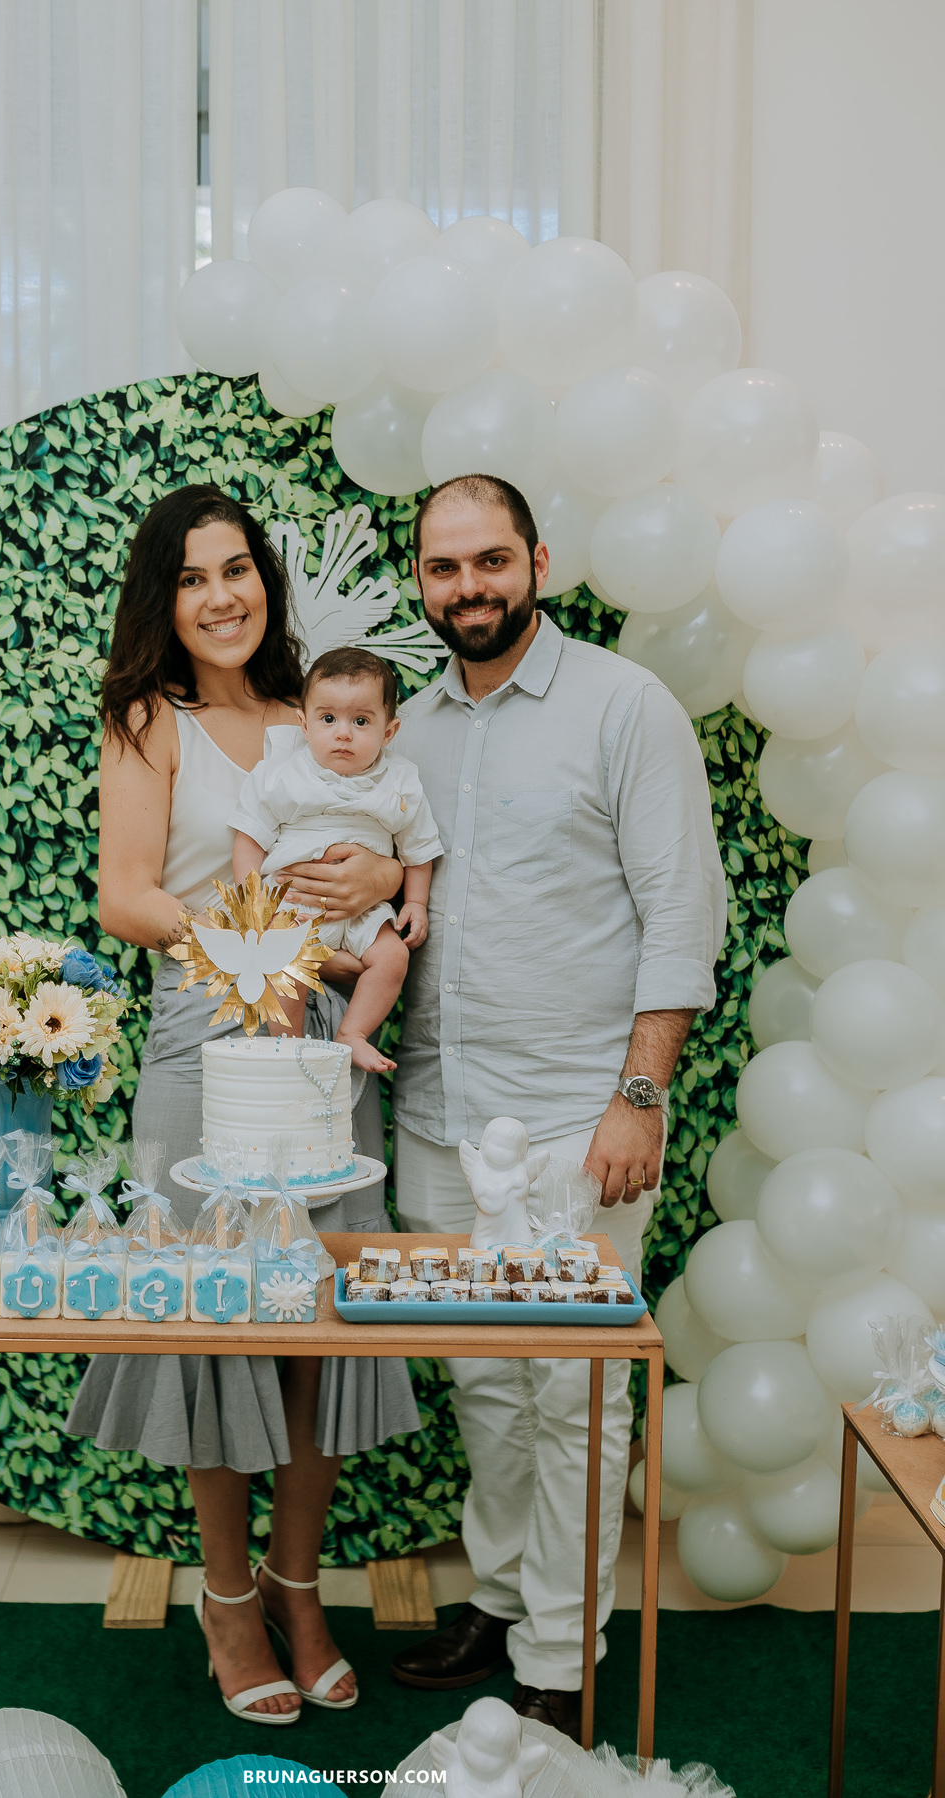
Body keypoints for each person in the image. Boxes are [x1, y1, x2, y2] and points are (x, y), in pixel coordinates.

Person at [65, 483, 421, 1725]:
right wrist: (249, 947)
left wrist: (385, 881)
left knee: (317, 1320)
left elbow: (394, 853)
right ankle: (226, 1598)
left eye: (239, 569)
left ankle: (300, 1583)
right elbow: (124, 895)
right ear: (164, 600)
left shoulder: (310, 713)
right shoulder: (145, 719)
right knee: (218, 1320)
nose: (222, 595)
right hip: (204, 1035)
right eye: (193, 576)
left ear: (266, 580)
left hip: (330, 1038)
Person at [388, 473, 727, 1739]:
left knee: (574, 1393)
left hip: (581, 1123)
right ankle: (502, 1598)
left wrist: (639, 1097)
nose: (467, 586)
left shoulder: (624, 706)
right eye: (443, 567)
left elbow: (681, 915)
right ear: (420, 580)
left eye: (489, 560)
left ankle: (563, 1654)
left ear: (537, 559)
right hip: (437, 1115)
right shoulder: (405, 726)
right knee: (483, 1380)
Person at [230, 645, 443, 1070]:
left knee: (393, 956)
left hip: (365, 911)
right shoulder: (280, 775)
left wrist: (416, 903)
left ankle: (353, 1031)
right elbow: (249, 838)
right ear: (304, 724)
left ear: (389, 731)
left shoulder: (400, 781)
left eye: (361, 721)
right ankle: (287, 1048)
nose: (343, 733)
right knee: (280, 961)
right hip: (293, 905)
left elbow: (419, 848)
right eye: (328, 719)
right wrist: (254, 905)